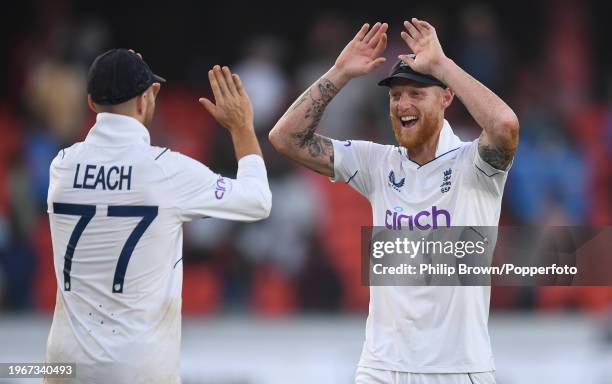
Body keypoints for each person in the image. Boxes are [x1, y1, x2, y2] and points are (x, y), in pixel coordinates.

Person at [269, 19, 519, 384]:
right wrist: (340, 72)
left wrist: (442, 66)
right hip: (381, 369)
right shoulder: (377, 162)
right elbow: (285, 138)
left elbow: (505, 125)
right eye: (395, 94)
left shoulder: (475, 164)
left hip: (457, 369)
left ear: (446, 97)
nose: (403, 104)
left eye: (416, 93)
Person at [45, 49, 271, 383]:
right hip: (136, 368)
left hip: (62, 364)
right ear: (146, 99)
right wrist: (241, 127)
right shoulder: (166, 170)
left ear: (91, 103)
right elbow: (258, 201)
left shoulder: (61, 165)